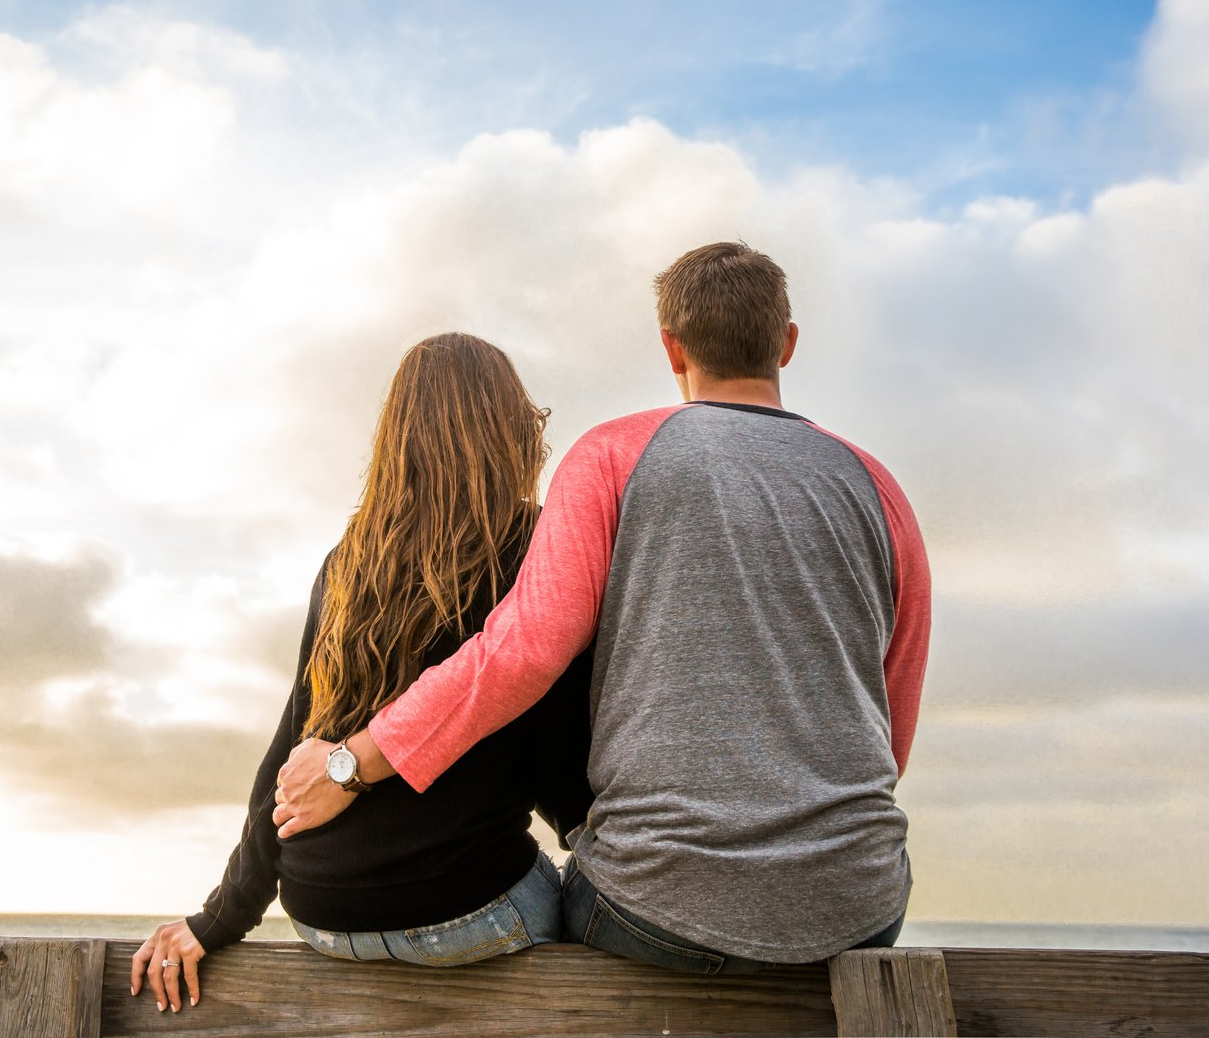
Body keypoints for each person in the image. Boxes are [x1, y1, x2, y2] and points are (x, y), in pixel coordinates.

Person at [274, 242, 930, 973]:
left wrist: (354, 763)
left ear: (672, 348)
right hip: (859, 906)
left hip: (654, 910)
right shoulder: (881, 489)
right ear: (787, 343)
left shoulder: (612, 456)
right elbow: (891, 728)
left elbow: (526, 650)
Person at [132, 332, 593, 1012]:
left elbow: (290, 752)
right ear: (510, 432)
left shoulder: (349, 560)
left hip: (323, 913)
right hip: (469, 910)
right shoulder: (535, 548)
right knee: (577, 901)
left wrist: (221, 918)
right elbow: (557, 744)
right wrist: (595, 848)